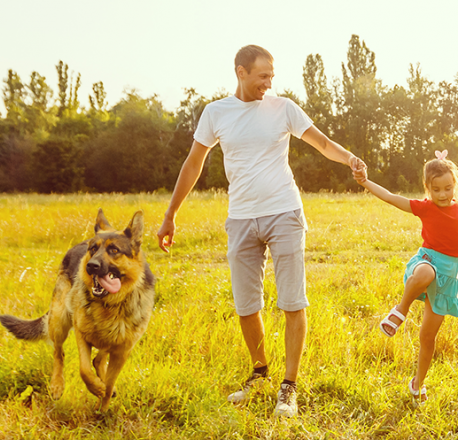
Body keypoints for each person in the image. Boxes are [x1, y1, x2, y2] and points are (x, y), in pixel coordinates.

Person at [156, 44, 365, 418]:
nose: (268, 83)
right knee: (246, 305)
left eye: (271, 76)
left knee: (292, 301)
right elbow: (193, 165)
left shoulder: (283, 107)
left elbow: (321, 142)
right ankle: (259, 373)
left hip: (284, 212)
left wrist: (349, 157)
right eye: (262, 76)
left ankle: (289, 387)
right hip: (240, 219)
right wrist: (171, 214)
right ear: (241, 72)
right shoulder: (216, 112)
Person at [354, 150, 458, 403]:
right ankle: (399, 311)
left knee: (428, 337)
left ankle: (418, 383)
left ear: (455, 185)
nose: (442, 194)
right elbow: (391, 197)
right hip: (426, 262)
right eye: (436, 189)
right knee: (426, 273)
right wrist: (365, 182)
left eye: (448, 188)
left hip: (448, 275)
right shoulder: (425, 207)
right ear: (427, 188)